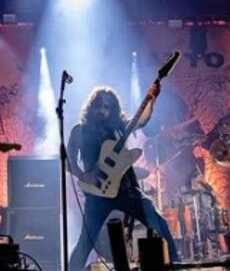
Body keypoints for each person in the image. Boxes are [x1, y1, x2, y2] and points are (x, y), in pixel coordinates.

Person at [67, 85, 180, 270]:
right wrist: (84, 176)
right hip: (98, 195)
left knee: (159, 223)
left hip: (127, 191)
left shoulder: (119, 127)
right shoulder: (79, 130)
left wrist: (151, 99)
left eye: (107, 106)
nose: (102, 110)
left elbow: (141, 121)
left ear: (113, 109)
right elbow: (69, 160)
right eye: (99, 105)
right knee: (85, 243)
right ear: (91, 106)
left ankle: (178, 265)